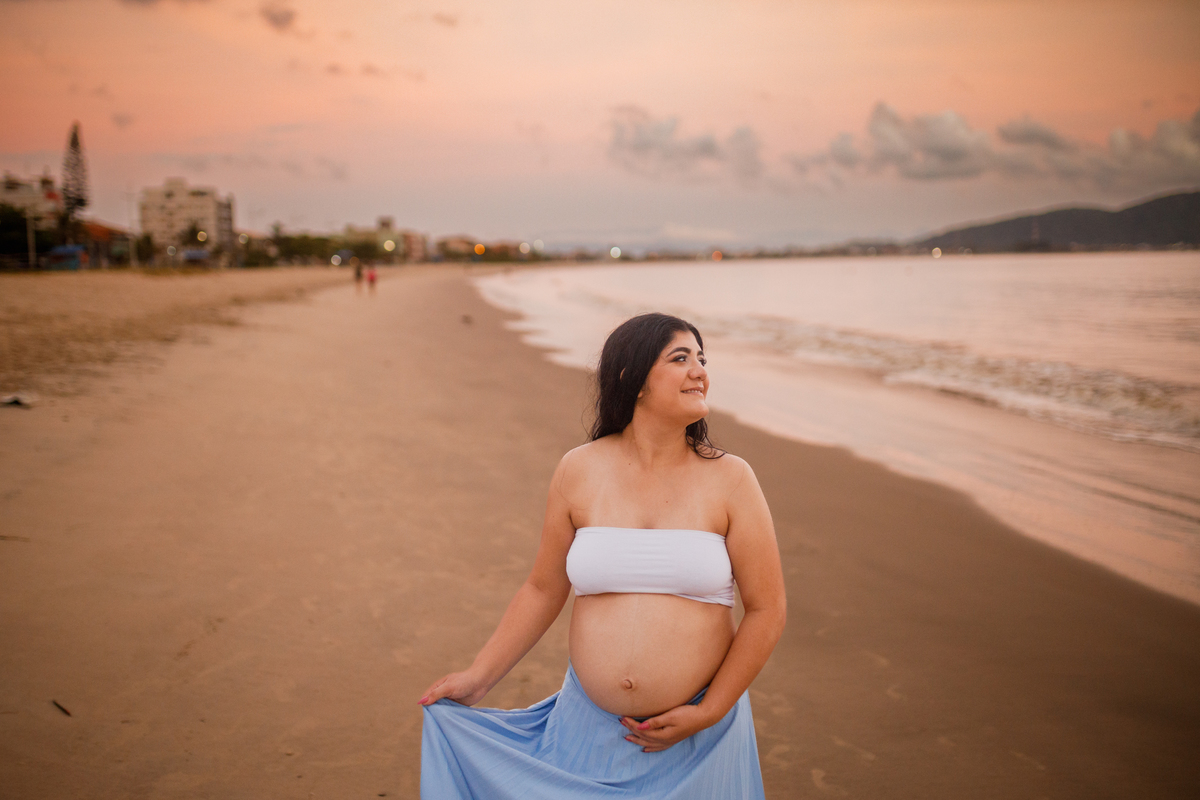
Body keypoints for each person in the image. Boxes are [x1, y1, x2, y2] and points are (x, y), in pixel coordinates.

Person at [419, 312, 787, 799]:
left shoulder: (731, 478)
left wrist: (710, 710)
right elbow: (543, 588)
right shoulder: (579, 469)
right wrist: (479, 677)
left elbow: (767, 609)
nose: (699, 370)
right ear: (630, 379)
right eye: (680, 358)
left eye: (702, 358)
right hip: (586, 736)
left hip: (695, 742)